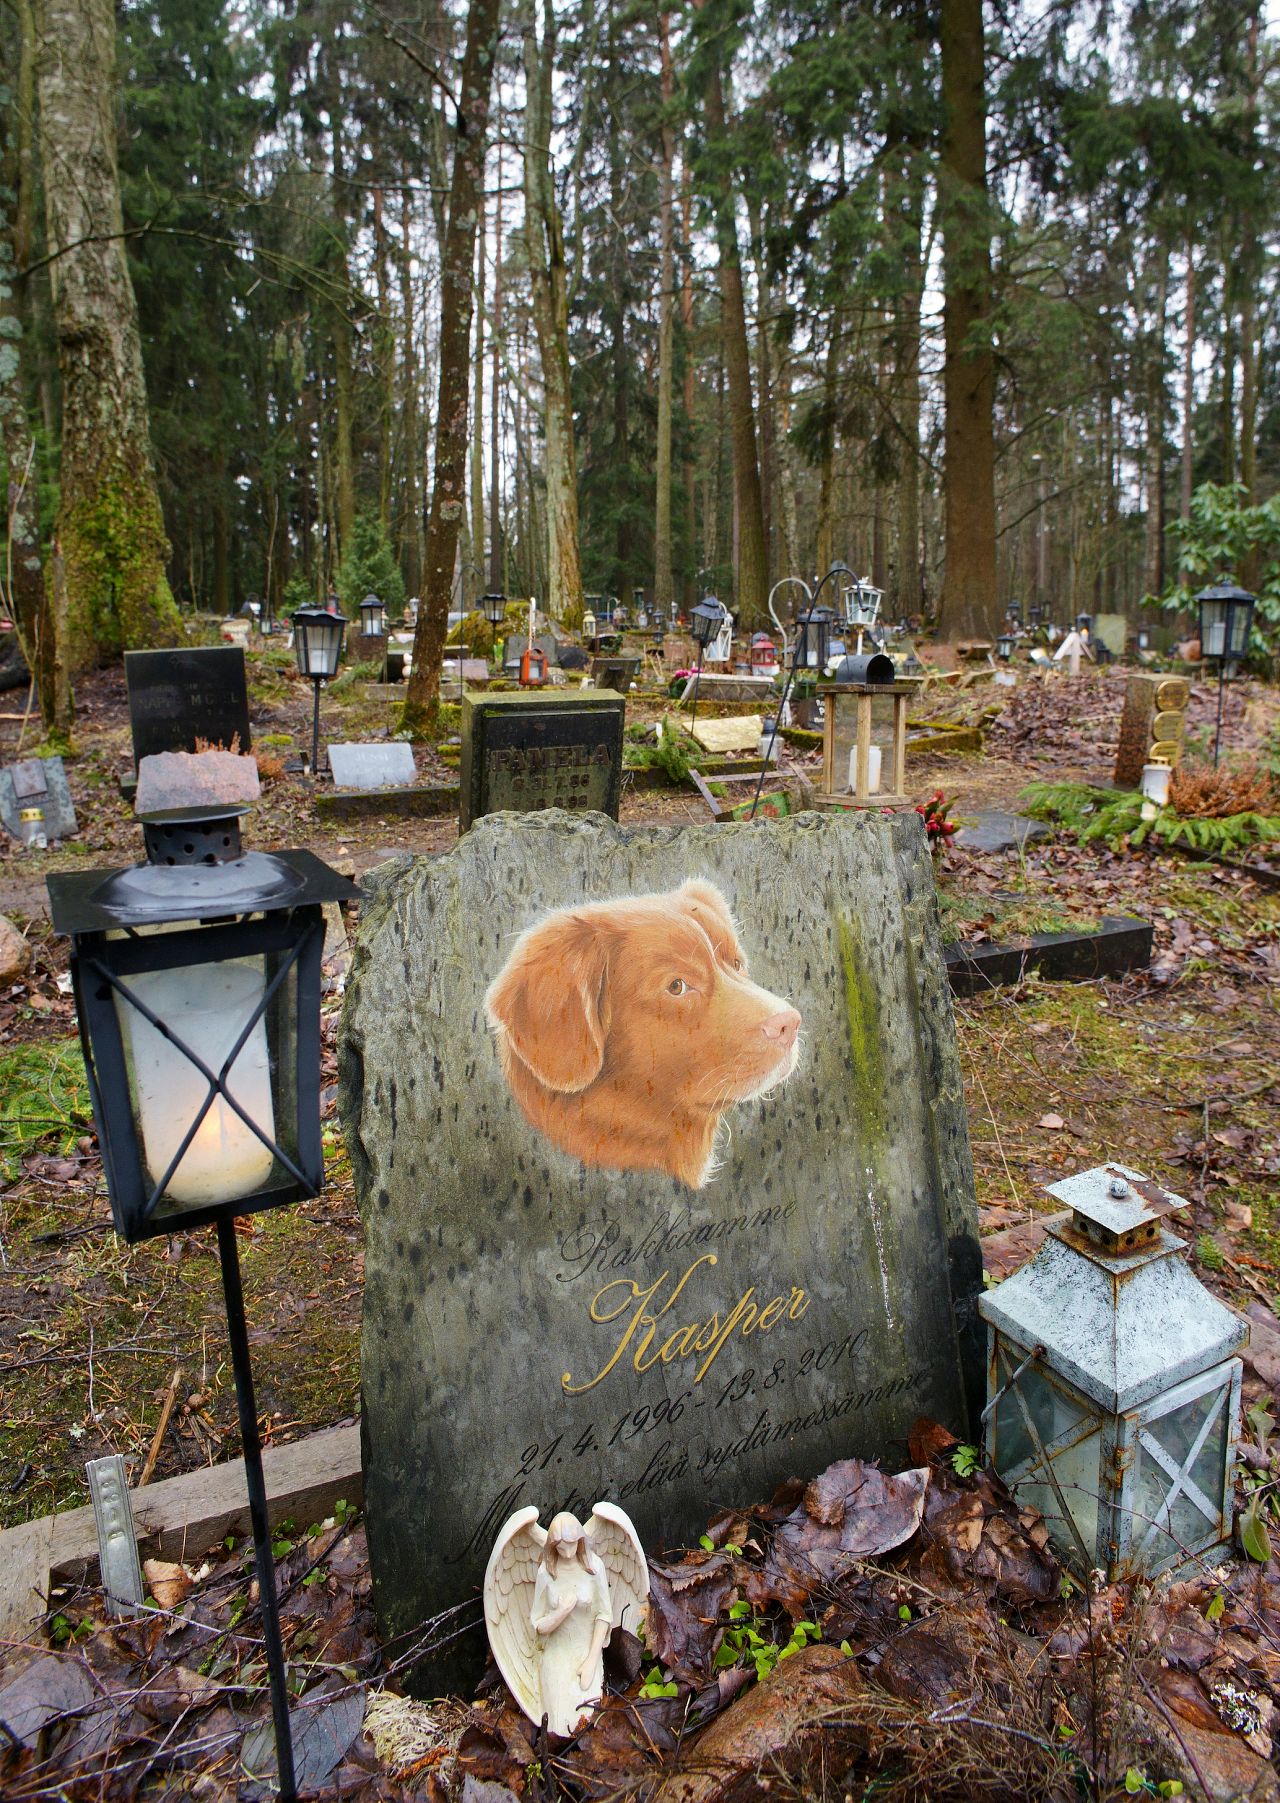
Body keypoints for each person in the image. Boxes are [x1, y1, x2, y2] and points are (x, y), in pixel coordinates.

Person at [530, 1514, 612, 1735]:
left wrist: (591, 1660)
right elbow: (539, 1625)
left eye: (571, 1546)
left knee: (585, 1718)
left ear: (580, 1541)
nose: (566, 1553)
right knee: (558, 1721)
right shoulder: (546, 1573)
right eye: (560, 1548)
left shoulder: (594, 1567)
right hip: (556, 1651)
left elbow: (604, 1615)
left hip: (586, 1648)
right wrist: (561, 1612)